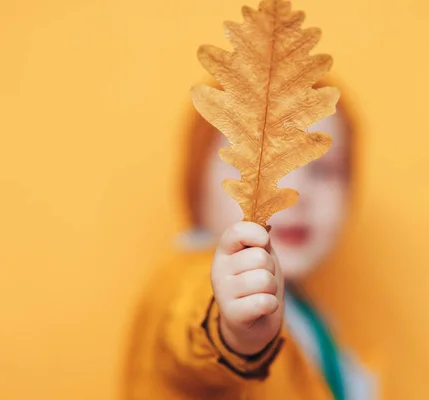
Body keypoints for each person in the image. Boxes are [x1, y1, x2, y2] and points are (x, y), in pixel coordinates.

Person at [122, 79, 376, 399]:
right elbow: (188, 325)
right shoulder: (190, 280)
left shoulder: (306, 316)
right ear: (197, 185)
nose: (294, 192)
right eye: (262, 165)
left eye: (323, 169)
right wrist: (230, 334)